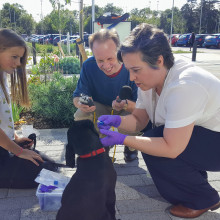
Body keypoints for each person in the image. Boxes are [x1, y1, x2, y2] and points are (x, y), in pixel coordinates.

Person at [97, 23, 220, 218]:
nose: (132, 77)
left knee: (158, 144)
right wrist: (117, 122)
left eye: (136, 69)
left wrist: (123, 140)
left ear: (159, 60)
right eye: (129, 70)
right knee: (153, 140)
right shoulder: (151, 80)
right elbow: (139, 120)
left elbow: (171, 147)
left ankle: (203, 198)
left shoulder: (185, 84)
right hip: (205, 137)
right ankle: (196, 185)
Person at [73, 28, 138, 162]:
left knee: (136, 118)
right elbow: (77, 96)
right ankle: (103, 145)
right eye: (100, 60)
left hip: (127, 110)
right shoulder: (88, 66)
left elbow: (142, 107)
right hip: (101, 107)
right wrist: (81, 103)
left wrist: (125, 105)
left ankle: (131, 145)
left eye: (110, 58)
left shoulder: (131, 65)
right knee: (81, 115)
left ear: (119, 51)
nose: (106, 65)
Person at [0, 29, 54, 189]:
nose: (18, 63)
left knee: (45, 163)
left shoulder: (3, 75)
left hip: (4, 147)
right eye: (14, 56)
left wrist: (15, 138)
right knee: (41, 171)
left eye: (20, 58)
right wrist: (18, 151)